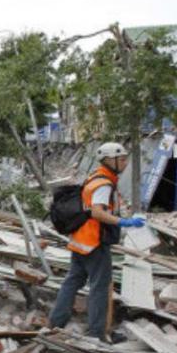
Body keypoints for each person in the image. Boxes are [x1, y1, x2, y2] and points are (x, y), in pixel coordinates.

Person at [49, 142, 146, 341]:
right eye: (122, 159)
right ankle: (97, 333)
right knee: (100, 287)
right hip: (94, 243)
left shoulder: (95, 177)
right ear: (110, 160)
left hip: (80, 240)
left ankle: (55, 323)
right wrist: (124, 222)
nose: (125, 163)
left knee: (72, 281)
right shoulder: (104, 184)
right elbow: (97, 212)